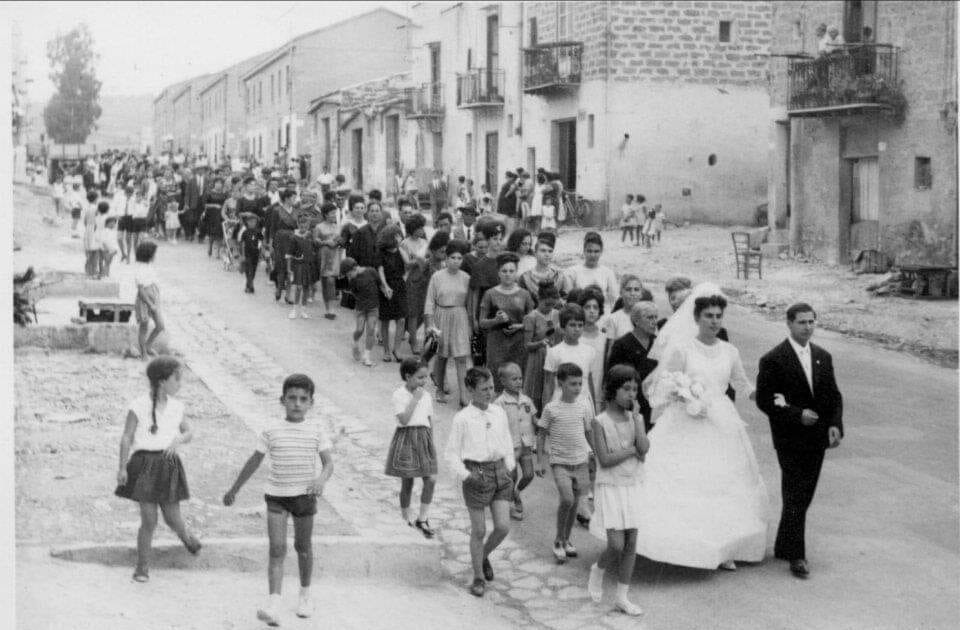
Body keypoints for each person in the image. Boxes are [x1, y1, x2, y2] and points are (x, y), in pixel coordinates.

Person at [635, 285, 767, 570]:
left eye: (719, 315)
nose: (715, 321)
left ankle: (724, 547)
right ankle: (686, 544)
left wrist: (767, 396)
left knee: (722, 483)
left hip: (721, 420)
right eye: (709, 315)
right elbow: (661, 384)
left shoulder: (730, 351)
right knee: (687, 481)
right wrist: (682, 394)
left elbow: (742, 385)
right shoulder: (683, 349)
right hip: (686, 419)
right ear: (697, 318)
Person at [223, 374, 334, 625]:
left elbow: (328, 464)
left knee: (303, 547)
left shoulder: (316, 431)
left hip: (304, 497)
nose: (297, 403)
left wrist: (320, 480)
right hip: (276, 497)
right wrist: (234, 489)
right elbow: (254, 461)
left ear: (311, 403)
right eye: (292, 398)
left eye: (303, 399)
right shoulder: (271, 430)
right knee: (276, 548)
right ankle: (273, 602)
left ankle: (305, 595)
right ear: (282, 400)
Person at [756, 303, 844, 579]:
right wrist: (795, 414)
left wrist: (835, 425)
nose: (808, 327)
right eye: (802, 322)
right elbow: (764, 399)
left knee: (803, 493)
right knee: (795, 491)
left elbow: (833, 396)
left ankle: (784, 544)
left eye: (811, 322)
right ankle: (797, 555)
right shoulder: (773, 359)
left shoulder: (823, 356)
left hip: (817, 438)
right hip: (789, 438)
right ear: (789, 324)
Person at [115, 356, 200, 583]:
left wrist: (179, 440)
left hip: (169, 464)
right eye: (177, 378)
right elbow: (126, 437)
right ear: (162, 381)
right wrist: (122, 467)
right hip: (143, 465)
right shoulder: (138, 405)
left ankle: (187, 537)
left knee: (173, 517)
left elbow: (189, 431)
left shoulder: (177, 407)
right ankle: (142, 568)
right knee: (149, 520)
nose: (180, 383)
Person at [444, 367, 515, 598]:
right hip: (476, 473)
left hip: (499, 473)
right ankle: (478, 576)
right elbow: (451, 454)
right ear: (471, 390)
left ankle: (482, 555)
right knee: (479, 529)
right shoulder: (463, 418)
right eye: (484, 389)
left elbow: (507, 440)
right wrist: (467, 475)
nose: (489, 392)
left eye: (492, 388)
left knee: (503, 526)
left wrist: (510, 466)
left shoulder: (498, 413)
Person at [586, 364, 649, 616]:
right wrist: (631, 451)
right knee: (615, 544)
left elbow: (643, 448)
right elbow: (605, 459)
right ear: (613, 390)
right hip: (610, 486)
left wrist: (637, 421)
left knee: (632, 541)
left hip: (632, 484)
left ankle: (622, 597)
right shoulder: (599, 422)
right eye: (626, 389)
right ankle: (597, 570)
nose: (631, 394)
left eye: (635, 389)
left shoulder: (636, 418)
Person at [536, 362, 595, 564]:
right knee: (567, 500)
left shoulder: (584, 406)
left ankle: (566, 539)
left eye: (579, 384)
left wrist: (594, 451)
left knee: (576, 502)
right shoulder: (551, 409)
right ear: (561, 383)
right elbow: (541, 434)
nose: (577, 388)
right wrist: (539, 462)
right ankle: (558, 540)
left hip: (581, 462)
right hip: (560, 462)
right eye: (572, 384)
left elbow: (588, 431)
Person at [386, 358, 438, 538]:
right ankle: (405, 518)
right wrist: (415, 399)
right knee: (407, 481)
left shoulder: (427, 395)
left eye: (426, 377)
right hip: (407, 438)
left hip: (424, 438)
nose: (424, 381)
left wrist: (431, 441)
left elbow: (429, 419)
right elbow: (404, 419)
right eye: (420, 377)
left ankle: (422, 518)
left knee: (430, 479)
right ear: (408, 376)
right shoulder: (399, 395)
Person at [424, 239, 472, 407]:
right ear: (446, 258)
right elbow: (429, 301)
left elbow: (469, 303)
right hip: (441, 315)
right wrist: (430, 325)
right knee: (442, 355)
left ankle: (464, 395)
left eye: (459, 258)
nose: (456, 261)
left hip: (460, 316)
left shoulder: (466, 278)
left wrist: (470, 325)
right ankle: (439, 389)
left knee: (461, 357)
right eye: (452, 257)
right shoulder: (437, 277)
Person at [479, 252, 535, 390]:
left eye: (511, 271)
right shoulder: (490, 294)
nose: (508, 274)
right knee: (497, 380)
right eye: (504, 271)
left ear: (516, 272)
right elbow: (482, 322)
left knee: (517, 379)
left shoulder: (524, 294)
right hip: (496, 343)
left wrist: (520, 326)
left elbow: (533, 321)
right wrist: (496, 320)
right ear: (498, 272)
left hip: (518, 344)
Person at [607, 302, 660, 432]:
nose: (654, 322)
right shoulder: (622, 344)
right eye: (649, 318)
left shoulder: (659, 343)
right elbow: (614, 377)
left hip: (653, 404)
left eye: (655, 317)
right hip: (630, 404)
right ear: (636, 320)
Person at [493, 363, 536, 521]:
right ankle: (513, 502)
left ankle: (516, 491)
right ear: (503, 381)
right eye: (514, 379)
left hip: (525, 444)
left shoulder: (526, 400)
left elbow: (534, 419)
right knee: (511, 475)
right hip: (509, 447)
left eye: (520, 378)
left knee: (529, 474)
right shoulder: (499, 403)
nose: (519, 382)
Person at [543, 304, 597, 411]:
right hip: (560, 405)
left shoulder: (589, 351)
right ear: (563, 328)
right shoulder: (554, 352)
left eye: (580, 325)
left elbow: (589, 381)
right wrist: (545, 411)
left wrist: (594, 407)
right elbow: (548, 385)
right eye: (572, 325)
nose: (577, 329)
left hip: (583, 405)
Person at [522, 282, 561, 413]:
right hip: (537, 358)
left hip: (553, 357)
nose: (549, 308)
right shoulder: (531, 317)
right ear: (539, 299)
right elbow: (527, 345)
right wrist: (540, 343)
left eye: (552, 305)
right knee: (536, 390)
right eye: (546, 304)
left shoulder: (557, 314)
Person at [377, 224, 408, 362]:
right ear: (390, 237)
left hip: (400, 285)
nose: (400, 237)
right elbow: (380, 270)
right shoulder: (380, 252)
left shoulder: (400, 251)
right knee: (385, 320)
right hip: (386, 286)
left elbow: (408, 264)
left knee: (401, 318)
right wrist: (385, 286)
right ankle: (386, 350)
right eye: (397, 235)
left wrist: (400, 246)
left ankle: (397, 349)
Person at [340, 257, 379, 367]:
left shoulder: (371, 271)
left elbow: (379, 283)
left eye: (348, 274)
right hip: (361, 308)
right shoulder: (353, 280)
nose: (348, 277)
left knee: (371, 329)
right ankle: (355, 343)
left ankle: (367, 357)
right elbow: (354, 293)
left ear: (354, 268)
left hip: (373, 307)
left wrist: (385, 289)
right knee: (359, 329)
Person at [401, 214, 430, 353]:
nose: (422, 230)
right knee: (412, 312)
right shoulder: (405, 243)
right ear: (412, 228)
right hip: (411, 280)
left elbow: (429, 259)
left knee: (422, 311)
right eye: (419, 227)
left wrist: (424, 261)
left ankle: (413, 334)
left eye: (422, 227)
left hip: (424, 280)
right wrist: (419, 260)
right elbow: (406, 264)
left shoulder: (425, 242)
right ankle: (413, 340)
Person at [565, 232, 618, 307]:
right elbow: (569, 300)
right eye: (589, 251)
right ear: (584, 251)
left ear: (601, 251)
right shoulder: (573, 272)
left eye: (596, 251)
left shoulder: (608, 273)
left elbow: (614, 300)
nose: (593, 255)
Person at [134, 241, 164, 360]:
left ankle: (148, 345)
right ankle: (143, 353)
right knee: (144, 327)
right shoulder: (140, 269)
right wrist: (150, 304)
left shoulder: (149, 266)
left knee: (160, 325)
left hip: (153, 298)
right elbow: (141, 291)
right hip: (145, 300)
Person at [519, 232, 567, 302]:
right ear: (535, 253)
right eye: (543, 251)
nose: (547, 254)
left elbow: (565, 299)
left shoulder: (559, 276)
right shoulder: (525, 278)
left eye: (550, 251)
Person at [313, 202, 341, 318]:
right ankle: (329, 308)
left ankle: (331, 307)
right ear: (325, 214)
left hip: (335, 255)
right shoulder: (319, 227)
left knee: (332, 281)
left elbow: (341, 240)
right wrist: (325, 242)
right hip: (324, 255)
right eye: (332, 213)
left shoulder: (337, 226)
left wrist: (338, 242)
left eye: (335, 213)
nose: (334, 215)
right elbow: (315, 241)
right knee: (327, 281)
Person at [286, 214, 314, 319]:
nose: (303, 228)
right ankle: (294, 310)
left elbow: (312, 250)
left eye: (305, 226)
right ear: (298, 224)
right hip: (298, 266)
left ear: (308, 225)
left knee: (306, 288)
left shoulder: (310, 236)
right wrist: (289, 269)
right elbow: (289, 254)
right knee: (298, 287)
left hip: (308, 266)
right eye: (301, 226)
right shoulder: (294, 237)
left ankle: (303, 310)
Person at [239, 212, 263, 294]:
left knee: (253, 271)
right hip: (247, 254)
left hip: (255, 254)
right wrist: (242, 255)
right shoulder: (245, 232)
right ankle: (251, 285)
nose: (252, 223)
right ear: (247, 222)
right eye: (250, 221)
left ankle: (248, 285)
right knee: (248, 270)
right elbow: (242, 244)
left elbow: (260, 242)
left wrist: (260, 252)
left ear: (256, 222)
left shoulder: (258, 232)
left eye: (254, 221)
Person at [82, 193, 102, 277]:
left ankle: (88, 270)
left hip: (88, 229)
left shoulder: (87, 207)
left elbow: (85, 221)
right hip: (94, 228)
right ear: (95, 199)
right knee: (96, 251)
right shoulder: (97, 208)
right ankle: (94, 270)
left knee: (89, 250)